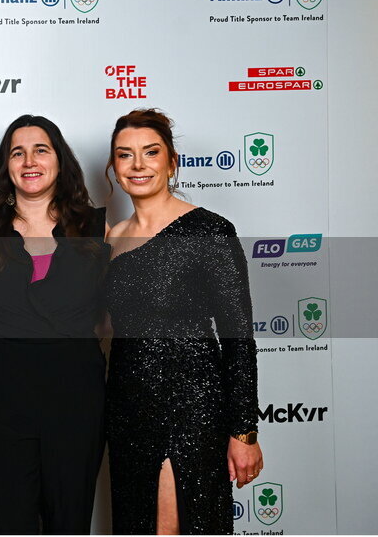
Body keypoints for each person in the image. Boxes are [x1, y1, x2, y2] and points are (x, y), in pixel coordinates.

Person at [104, 109, 263, 534]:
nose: (138, 165)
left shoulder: (209, 230)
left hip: (190, 409)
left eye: (150, 153)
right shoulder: (112, 237)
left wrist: (244, 431)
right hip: (126, 411)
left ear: (172, 162)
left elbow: (238, 336)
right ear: (113, 168)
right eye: (125, 155)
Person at [0, 115, 107, 534]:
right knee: (7, 523)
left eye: (40, 149)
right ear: (6, 166)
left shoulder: (98, 229)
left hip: (76, 402)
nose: (29, 160)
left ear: (60, 160)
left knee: (69, 522)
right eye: (18, 152)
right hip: (1, 403)